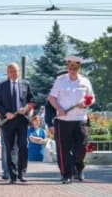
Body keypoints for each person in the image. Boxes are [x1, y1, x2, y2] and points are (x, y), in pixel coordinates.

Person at [48, 56, 95, 184]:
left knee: (81, 148)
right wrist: (59, 108)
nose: (72, 70)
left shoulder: (85, 81)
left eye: (75, 68)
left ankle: (78, 167)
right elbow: (51, 98)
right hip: (63, 120)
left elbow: (91, 98)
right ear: (67, 68)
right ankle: (66, 175)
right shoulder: (60, 81)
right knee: (63, 150)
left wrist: (85, 103)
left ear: (79, 68)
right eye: (70, 68)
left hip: (80, 119)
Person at [0, 63, 34, 184]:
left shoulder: (26, 84)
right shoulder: (1, 86)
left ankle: (22, 173)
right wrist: (5, 113)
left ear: (19, 72)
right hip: (7, 122)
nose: (13, 73)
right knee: (9, 148)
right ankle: (12, 175)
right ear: (7, 72)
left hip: (21, 120)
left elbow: (32, 101)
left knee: (23, 146)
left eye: (15, 71)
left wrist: (26, 109)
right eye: (11, 71)